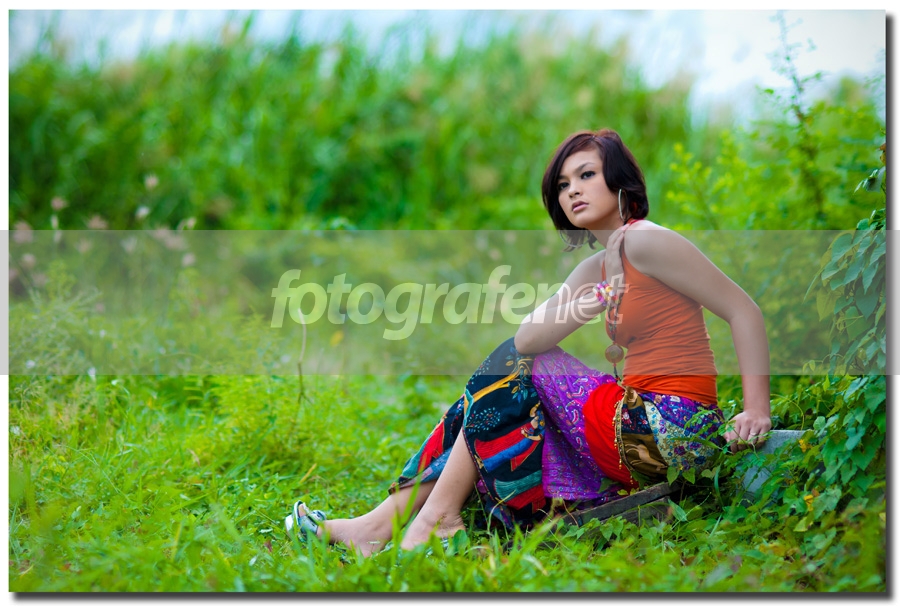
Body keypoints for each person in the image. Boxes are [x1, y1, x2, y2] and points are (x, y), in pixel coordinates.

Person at [284, 128, 772, 556]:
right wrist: (588, 304)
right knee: (486, 393)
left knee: (514, 368)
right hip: (635, 429)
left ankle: (425, 521)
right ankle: (380, 526)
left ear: (620, 183)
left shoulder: (647, 240)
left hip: (674, 427)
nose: (572, 190)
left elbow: (742, 310)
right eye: (562, 184)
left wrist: (756, 410)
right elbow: (527, 335)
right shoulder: (596, 267)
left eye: (586, 175)